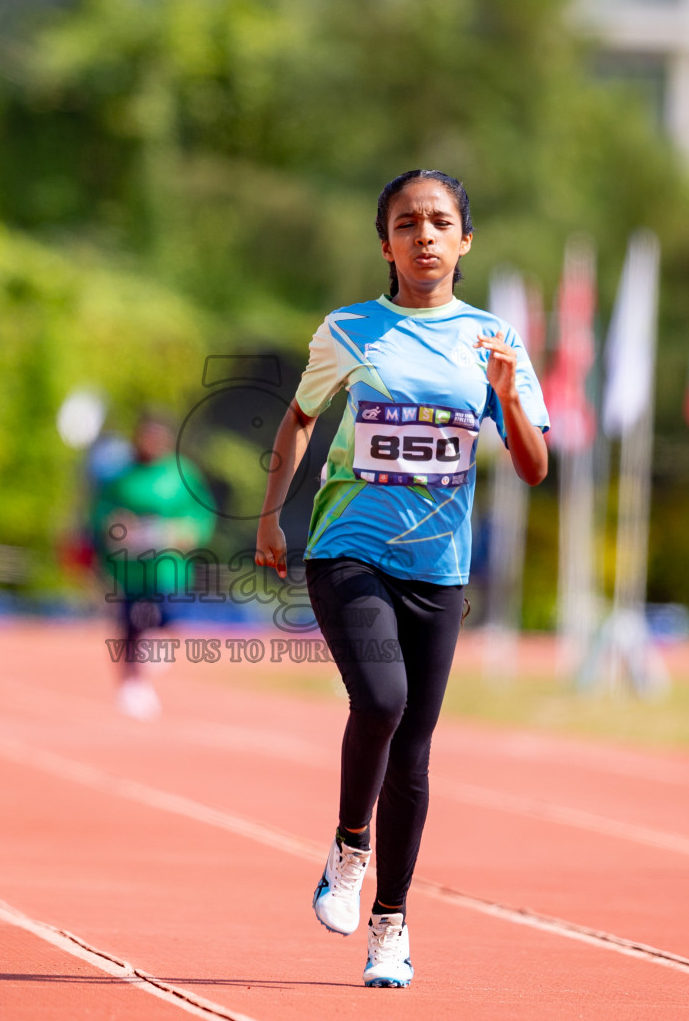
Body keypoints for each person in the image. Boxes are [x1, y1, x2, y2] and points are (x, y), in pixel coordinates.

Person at [254, 170, 548, 987]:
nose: (424, 234)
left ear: (464, 240)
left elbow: (533, 466)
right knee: (381, 701)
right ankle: (350, 848)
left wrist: (506, 399)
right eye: (407, 222)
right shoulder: (351, 331)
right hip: (348, 548)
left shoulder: (495, 341)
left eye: (440, 221)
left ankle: (393, 921)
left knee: (414, 747)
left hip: (439, 569)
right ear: (384, 243)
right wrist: (271, 513)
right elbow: (301, 417)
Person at [91, 412, 215, 720]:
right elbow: (101, 515)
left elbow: (201, 515)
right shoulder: (119, 476)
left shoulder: (182, 473)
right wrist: (117, 528)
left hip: (168, 568)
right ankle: (131, 684)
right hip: (130, 569)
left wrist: (182, 532)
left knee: (166, 620)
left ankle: (149, 663)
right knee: (129, 626)